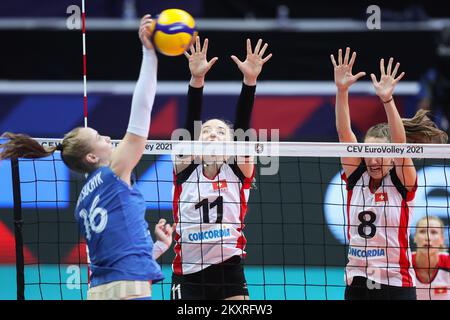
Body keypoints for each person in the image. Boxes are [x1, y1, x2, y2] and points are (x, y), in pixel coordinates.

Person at [0, 15, 173, 300]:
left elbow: (111, 256)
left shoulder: (83, 203)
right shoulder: (113, 173)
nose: (107, 138)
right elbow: (142, 110)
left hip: (101, 290)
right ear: (92, 156)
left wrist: (155, 249)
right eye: (99, 137)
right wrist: (149, 53)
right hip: (128, 287)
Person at [331, 47, 448, 300]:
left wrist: (387, 100)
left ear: (391, 156)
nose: (373, 160)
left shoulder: (401, 181)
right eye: (368, 152)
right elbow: (344, 133)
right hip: (358, 281)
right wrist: (342, 91)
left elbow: (400, 144)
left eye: (380, 153)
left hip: (396, 283)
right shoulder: (356, 177)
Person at [170, 36, 272, 300]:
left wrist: (250, 81)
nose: (212, 134)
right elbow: (190, 123)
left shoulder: (239, 171)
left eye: (219, 132)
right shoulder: (185, 168)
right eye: (206, 131)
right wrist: (196, 81)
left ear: (231, 144)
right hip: (188, 272)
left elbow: (241, 127)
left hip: (229, 270)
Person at [412, 216, 450, 300]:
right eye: (422, 231)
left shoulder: (448, 262)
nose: (428, 237)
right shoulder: (403, 262)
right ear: (414, 237)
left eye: (434, 232)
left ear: (442, 239)